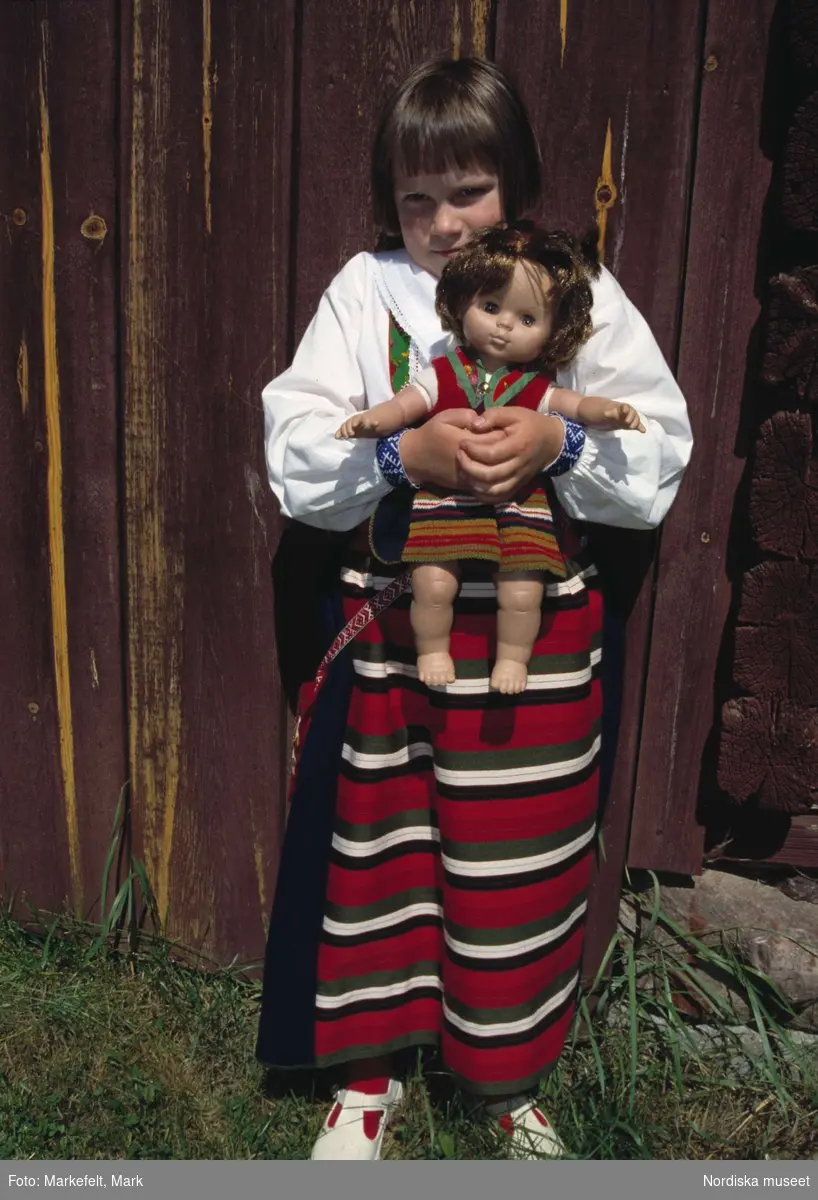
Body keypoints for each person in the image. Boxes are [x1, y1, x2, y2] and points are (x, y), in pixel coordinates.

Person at [257, 55, 692, 1161]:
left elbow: (658, 449)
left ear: (517, 182)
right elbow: (300, 450)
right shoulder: (365, 293)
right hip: (401, 621)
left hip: (535, 635)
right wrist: (404, 452)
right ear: (388, 200)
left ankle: (502, 1078)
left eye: (468, 192)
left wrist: (564, 438)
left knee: (516, 857)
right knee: (385, 848)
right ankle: (367, 1078)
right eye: (416, 198)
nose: (443, 222)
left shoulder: (571, 290)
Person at [335, 223, 645, 693]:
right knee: (433, 584)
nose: (503, 325)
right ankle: (433, 650)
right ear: (463, 305)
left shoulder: (537, 386)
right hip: (445, 498)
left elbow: (575, 407)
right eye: (491, 306)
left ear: (552, 334)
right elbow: (407, 405)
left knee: (523, 591)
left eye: (527, 319)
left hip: (521, 502)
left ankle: (514, 660)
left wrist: (610, 411)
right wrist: (375, 421)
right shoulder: (445, 370)